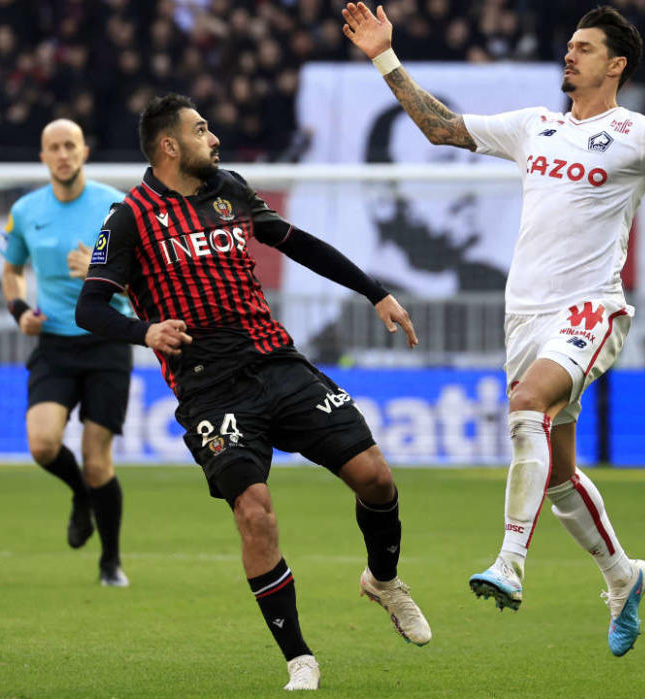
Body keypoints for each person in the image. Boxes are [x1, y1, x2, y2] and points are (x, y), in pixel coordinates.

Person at [342, 3, 645, 656]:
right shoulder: (533, 127)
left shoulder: (642, 136)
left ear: (616, 63)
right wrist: (385, 57)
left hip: (590, 308)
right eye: (569, 45)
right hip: (525, 317)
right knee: (557, 475)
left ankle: (510, 561)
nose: (569, 54)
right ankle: (622, 575)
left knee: (526, 407)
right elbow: (440, 129)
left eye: (583, 47)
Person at [75, 93, 431, 691]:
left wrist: (376, 292)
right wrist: (146, 331)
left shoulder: (230, 191)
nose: (213, 139)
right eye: (201, 129)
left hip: (277, 361)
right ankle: (299, 657)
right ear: (169, 145)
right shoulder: (130, 218)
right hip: (209, 387)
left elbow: (300, 244)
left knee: (376, 476)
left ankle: (384, 582)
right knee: (255, 514)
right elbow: (90, 306)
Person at [0, 119, 132, 587]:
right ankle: (81, 497)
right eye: (53, 147)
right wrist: (19, 309)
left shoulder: (116, 205)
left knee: (97, 461)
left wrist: (98, 272)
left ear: (84, 151)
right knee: (42, 445)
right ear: (43, 157)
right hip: (54, 340)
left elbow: (144, 273)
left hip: (107, 339)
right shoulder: (25, 210)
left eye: (70, 145)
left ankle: (110, 561)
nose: (62, 154)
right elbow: (12, 269)